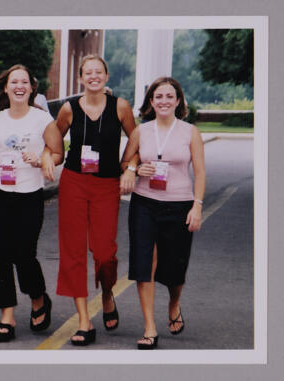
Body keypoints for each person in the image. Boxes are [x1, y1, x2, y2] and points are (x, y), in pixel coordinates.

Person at [55, 54, 138, 346]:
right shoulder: (68, 109)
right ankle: (83, 321)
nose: (93, 76)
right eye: (87, 72)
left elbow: (137, 140)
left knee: (104, 252)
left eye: (98, 72)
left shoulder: (121, 106)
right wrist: (44, 157)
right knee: (73, 251)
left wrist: (130, 168)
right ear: (80, 78)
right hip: (74, 182)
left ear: (106, 76)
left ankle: (106, 293)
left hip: (107, 184)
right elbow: (53, 141)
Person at [121, 77, 206, 349]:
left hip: (180, 204)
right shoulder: (141, 131)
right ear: (151, 102)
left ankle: (174, 303)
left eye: (170, 96)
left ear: (178, 100)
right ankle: (150, 328)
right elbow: (125, 161)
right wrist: (134, 169)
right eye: (158, 96)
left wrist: (197, 206)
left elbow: (201, 172)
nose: (164, 101)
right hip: (144, 203)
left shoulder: (190, 132)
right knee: (143, 263)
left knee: (174, 268)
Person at [0, 65, 63, 342]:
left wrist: (43, 159)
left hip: (29, 193)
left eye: (24, 82)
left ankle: (38, 297)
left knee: (24, 253)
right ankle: (7, 316)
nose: (19, 86)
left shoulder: (42, 120)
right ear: (6, 87)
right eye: (13, 81)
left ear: (31, 88)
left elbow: (58, 153)